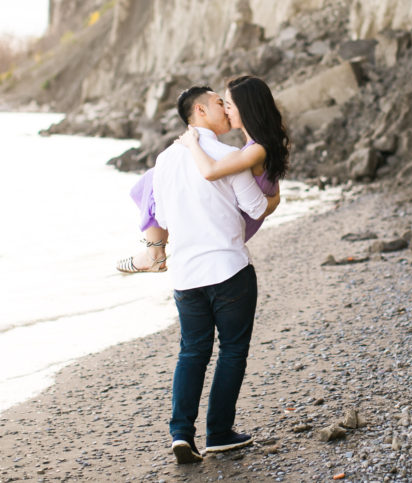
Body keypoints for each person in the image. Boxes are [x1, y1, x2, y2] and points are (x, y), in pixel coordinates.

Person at [150, 85, 279, 464]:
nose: (226, 109)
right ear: (201, 112)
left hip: (186, 275)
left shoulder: (164, 160)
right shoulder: (229, 155)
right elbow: (256, 208)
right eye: (219, 104)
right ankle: (219, 432)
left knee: (192, 352)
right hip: (227, 269)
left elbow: (162, 218)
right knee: (232, 351)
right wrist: (275, 198)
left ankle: (181, 434)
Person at [116, 75, 288, 273]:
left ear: (246, 108)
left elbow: (210, 171)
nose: (225, 110)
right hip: (236, 218)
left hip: (237, 223)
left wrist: (192, 143)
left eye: (229, 105)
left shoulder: (252, 151)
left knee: (153, 178)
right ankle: (154, 252)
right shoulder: (253, 147)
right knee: (157, 178)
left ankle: (154, 253)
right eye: (222, 104)